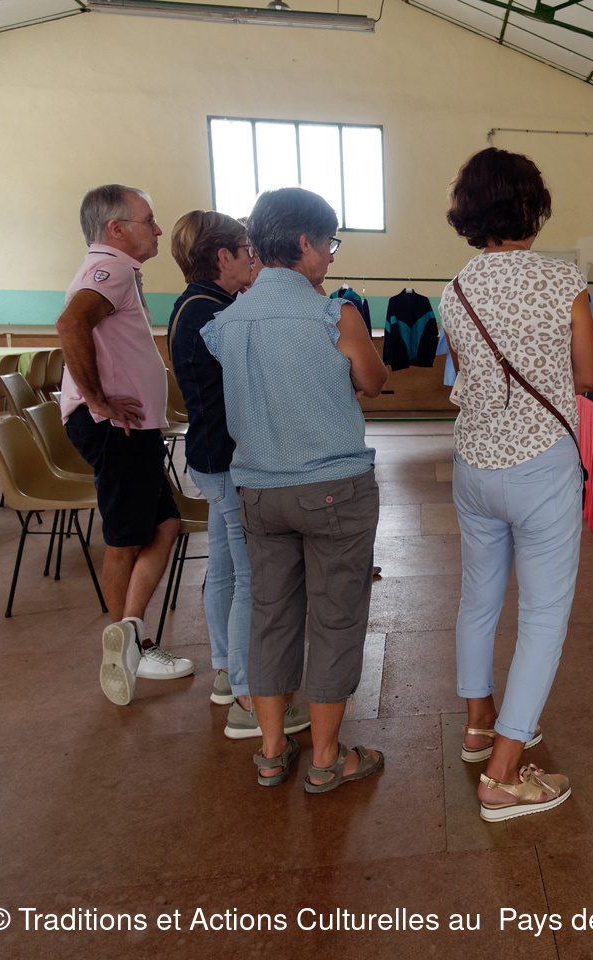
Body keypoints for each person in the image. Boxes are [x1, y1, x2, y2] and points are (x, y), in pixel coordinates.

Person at [201, 187, 388, 791]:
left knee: (271, 615)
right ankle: (328, 758)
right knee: (335, 618)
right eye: (330, 243)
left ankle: (272, 750)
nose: (331, 256)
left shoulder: (227, 322)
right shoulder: (334, 315)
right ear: (305, 242)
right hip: (333, 487)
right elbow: (373, 380)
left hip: (258, 491)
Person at [440, 147, 593, 822]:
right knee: (542, 614)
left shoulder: (455, 289)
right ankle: (504, 775)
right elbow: (587, 375)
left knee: (478, 598)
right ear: (531, 208)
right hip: (540, 467)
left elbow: (465, 375)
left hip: (475, 463)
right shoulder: (565, 282)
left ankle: (481, 723)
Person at [168, 211, 311, 741]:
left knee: (226, 568)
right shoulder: (215, 312)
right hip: (228, 462)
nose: (253, 258)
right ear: (222, 256)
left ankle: (228, 673)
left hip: (210, 457)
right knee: (253, 577)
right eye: (247, 250)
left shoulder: (196, 304)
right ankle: (251, 700)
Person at [57, 184, 194, 706]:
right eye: (148, 220)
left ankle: (131, 634)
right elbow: (71, 323)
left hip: (129, 429)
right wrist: (98, 399)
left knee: (165, 523)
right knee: (124, 538)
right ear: (116, 229)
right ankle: (128, 645)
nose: (157, 229)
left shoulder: (115, 270)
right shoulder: (109, 269)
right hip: (118, 428)